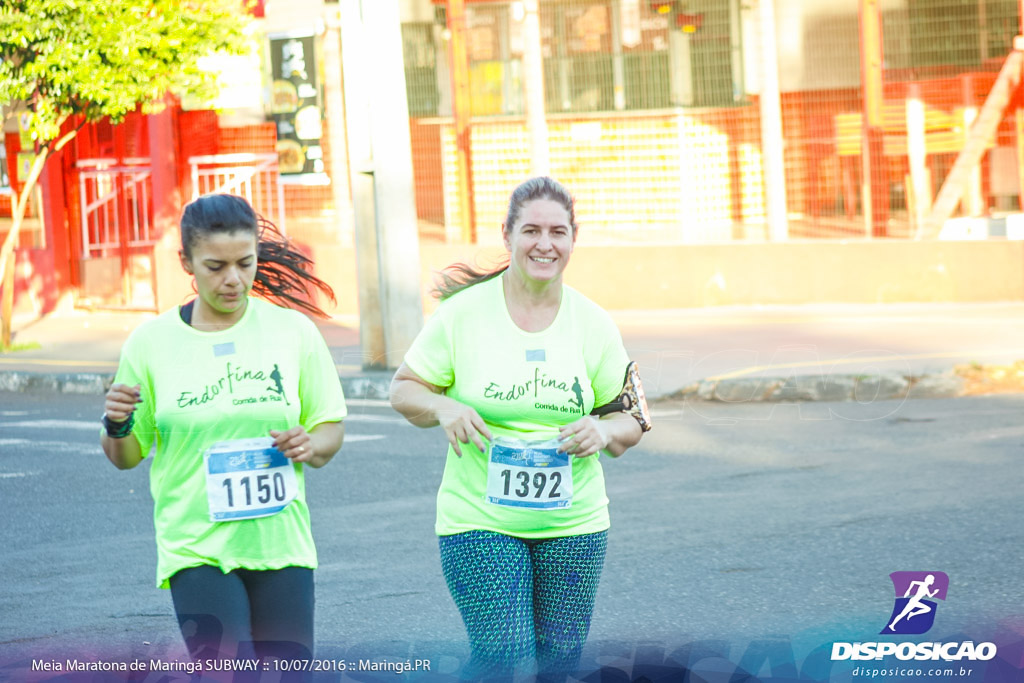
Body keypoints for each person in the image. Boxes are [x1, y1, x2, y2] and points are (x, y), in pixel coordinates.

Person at [389, 176, 647, 680]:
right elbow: (404, 389)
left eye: (558, 232)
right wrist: (443, 408)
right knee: (501, 657)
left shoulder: (593, 324)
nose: (545, 244)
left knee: (560, 665)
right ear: (507, 235)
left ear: (574, 238)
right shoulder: (463, 315)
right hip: (478, 520)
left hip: (575, 525)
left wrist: (604, 431)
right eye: (531, 230)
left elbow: (631, 417)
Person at [100, 194, 346, 667]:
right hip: (195, 546)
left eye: (244, 263)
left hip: (281, 543)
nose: (233, 280)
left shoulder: (292, 332)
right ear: (186, 263)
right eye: (215, 266)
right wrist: (116, 422)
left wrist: (311, 443)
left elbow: (329, 430)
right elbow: (127, 456)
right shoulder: (151, 343)